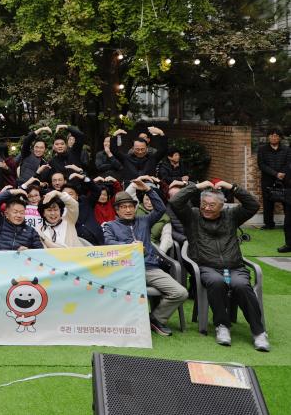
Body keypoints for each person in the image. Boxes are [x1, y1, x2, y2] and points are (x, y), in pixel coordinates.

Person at [169, 180, 267, 351]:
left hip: (234, 267)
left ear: (222, 206)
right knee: (216, 282)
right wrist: (196, 186)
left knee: (242, 285)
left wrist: (232, 187)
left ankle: (259, 332)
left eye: (212, 205)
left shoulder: (232, 215)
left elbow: (253, 205)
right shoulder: (192, 216)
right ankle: (222, 326)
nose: (206, 208)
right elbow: (175, 201)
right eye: (204, 204)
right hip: (207, 267)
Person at [103, 177, 188, 337]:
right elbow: (109, 243)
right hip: (124, 270)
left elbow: (160, 209)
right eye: (123, 207)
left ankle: (155, 319)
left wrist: (148, 190)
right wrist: (131, 247)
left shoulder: (144, 221)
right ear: (117, 210)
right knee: (114, 293)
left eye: (131, 206)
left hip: (149, 268)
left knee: (180, 292)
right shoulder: (110, 226)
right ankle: (123, 323)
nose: (128, 210)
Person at [257, 128, 290, 240]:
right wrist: (275, 174)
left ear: (280, 137)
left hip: (285, 179)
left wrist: (282, 173)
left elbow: (289, 163)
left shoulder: (287, 149)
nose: (273, 138)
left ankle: (287, 224)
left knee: (286, 202)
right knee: (268, 202)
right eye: (271, 135)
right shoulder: (262, 149)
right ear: (268, 137)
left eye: (276, 136)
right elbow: (261, 164)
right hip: (268, 179)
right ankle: (269, 224)